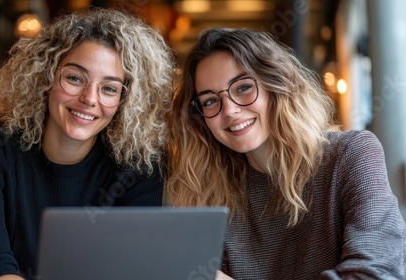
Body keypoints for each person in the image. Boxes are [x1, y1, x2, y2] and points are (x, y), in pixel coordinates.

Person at [167, 27, 406, 279]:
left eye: (243, 87)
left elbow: (376, 273)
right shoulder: (208, 193)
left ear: (276, 84)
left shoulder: (351, 154)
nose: (230, 110)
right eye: (210, 101)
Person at [0, 8, 175, 280]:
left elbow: (132, 270)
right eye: (74, 78)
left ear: (125, 101)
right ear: (46, 77)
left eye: (109, 88)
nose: (90, 98)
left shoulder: (140, 166)